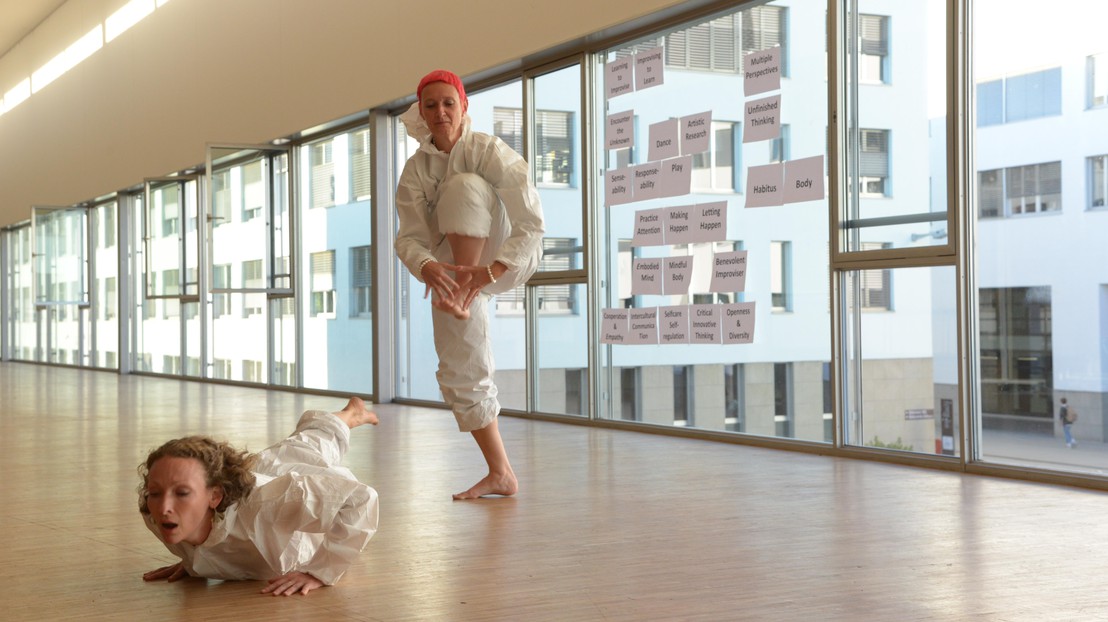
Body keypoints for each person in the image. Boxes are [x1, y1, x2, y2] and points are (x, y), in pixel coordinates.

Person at [394, 69, 544, 499]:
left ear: (463, 107)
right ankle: (501, 472)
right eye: (431, 105)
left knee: (462, 186)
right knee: (459, 366)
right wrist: (425, 267)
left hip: (506, 252)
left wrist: (492, 270)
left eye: (448, 103)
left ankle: (463, 289)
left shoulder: (489, 150)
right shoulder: (416, 169)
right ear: (421, 112)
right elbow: (409, 236)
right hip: (454, 266)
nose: (440, 112)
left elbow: (532, 222)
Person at [139, 397, 380, 596]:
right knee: (304, 442)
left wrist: (320, 571)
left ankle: (351, 414)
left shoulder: (271, 503)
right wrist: (196, 562)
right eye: (154, 493)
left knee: (312, 443)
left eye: (182, 493)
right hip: (260, 470)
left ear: (214, 496)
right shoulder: (154, 514)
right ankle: (352, 413)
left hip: (290, 482)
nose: (163, 507)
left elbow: (361, 501)